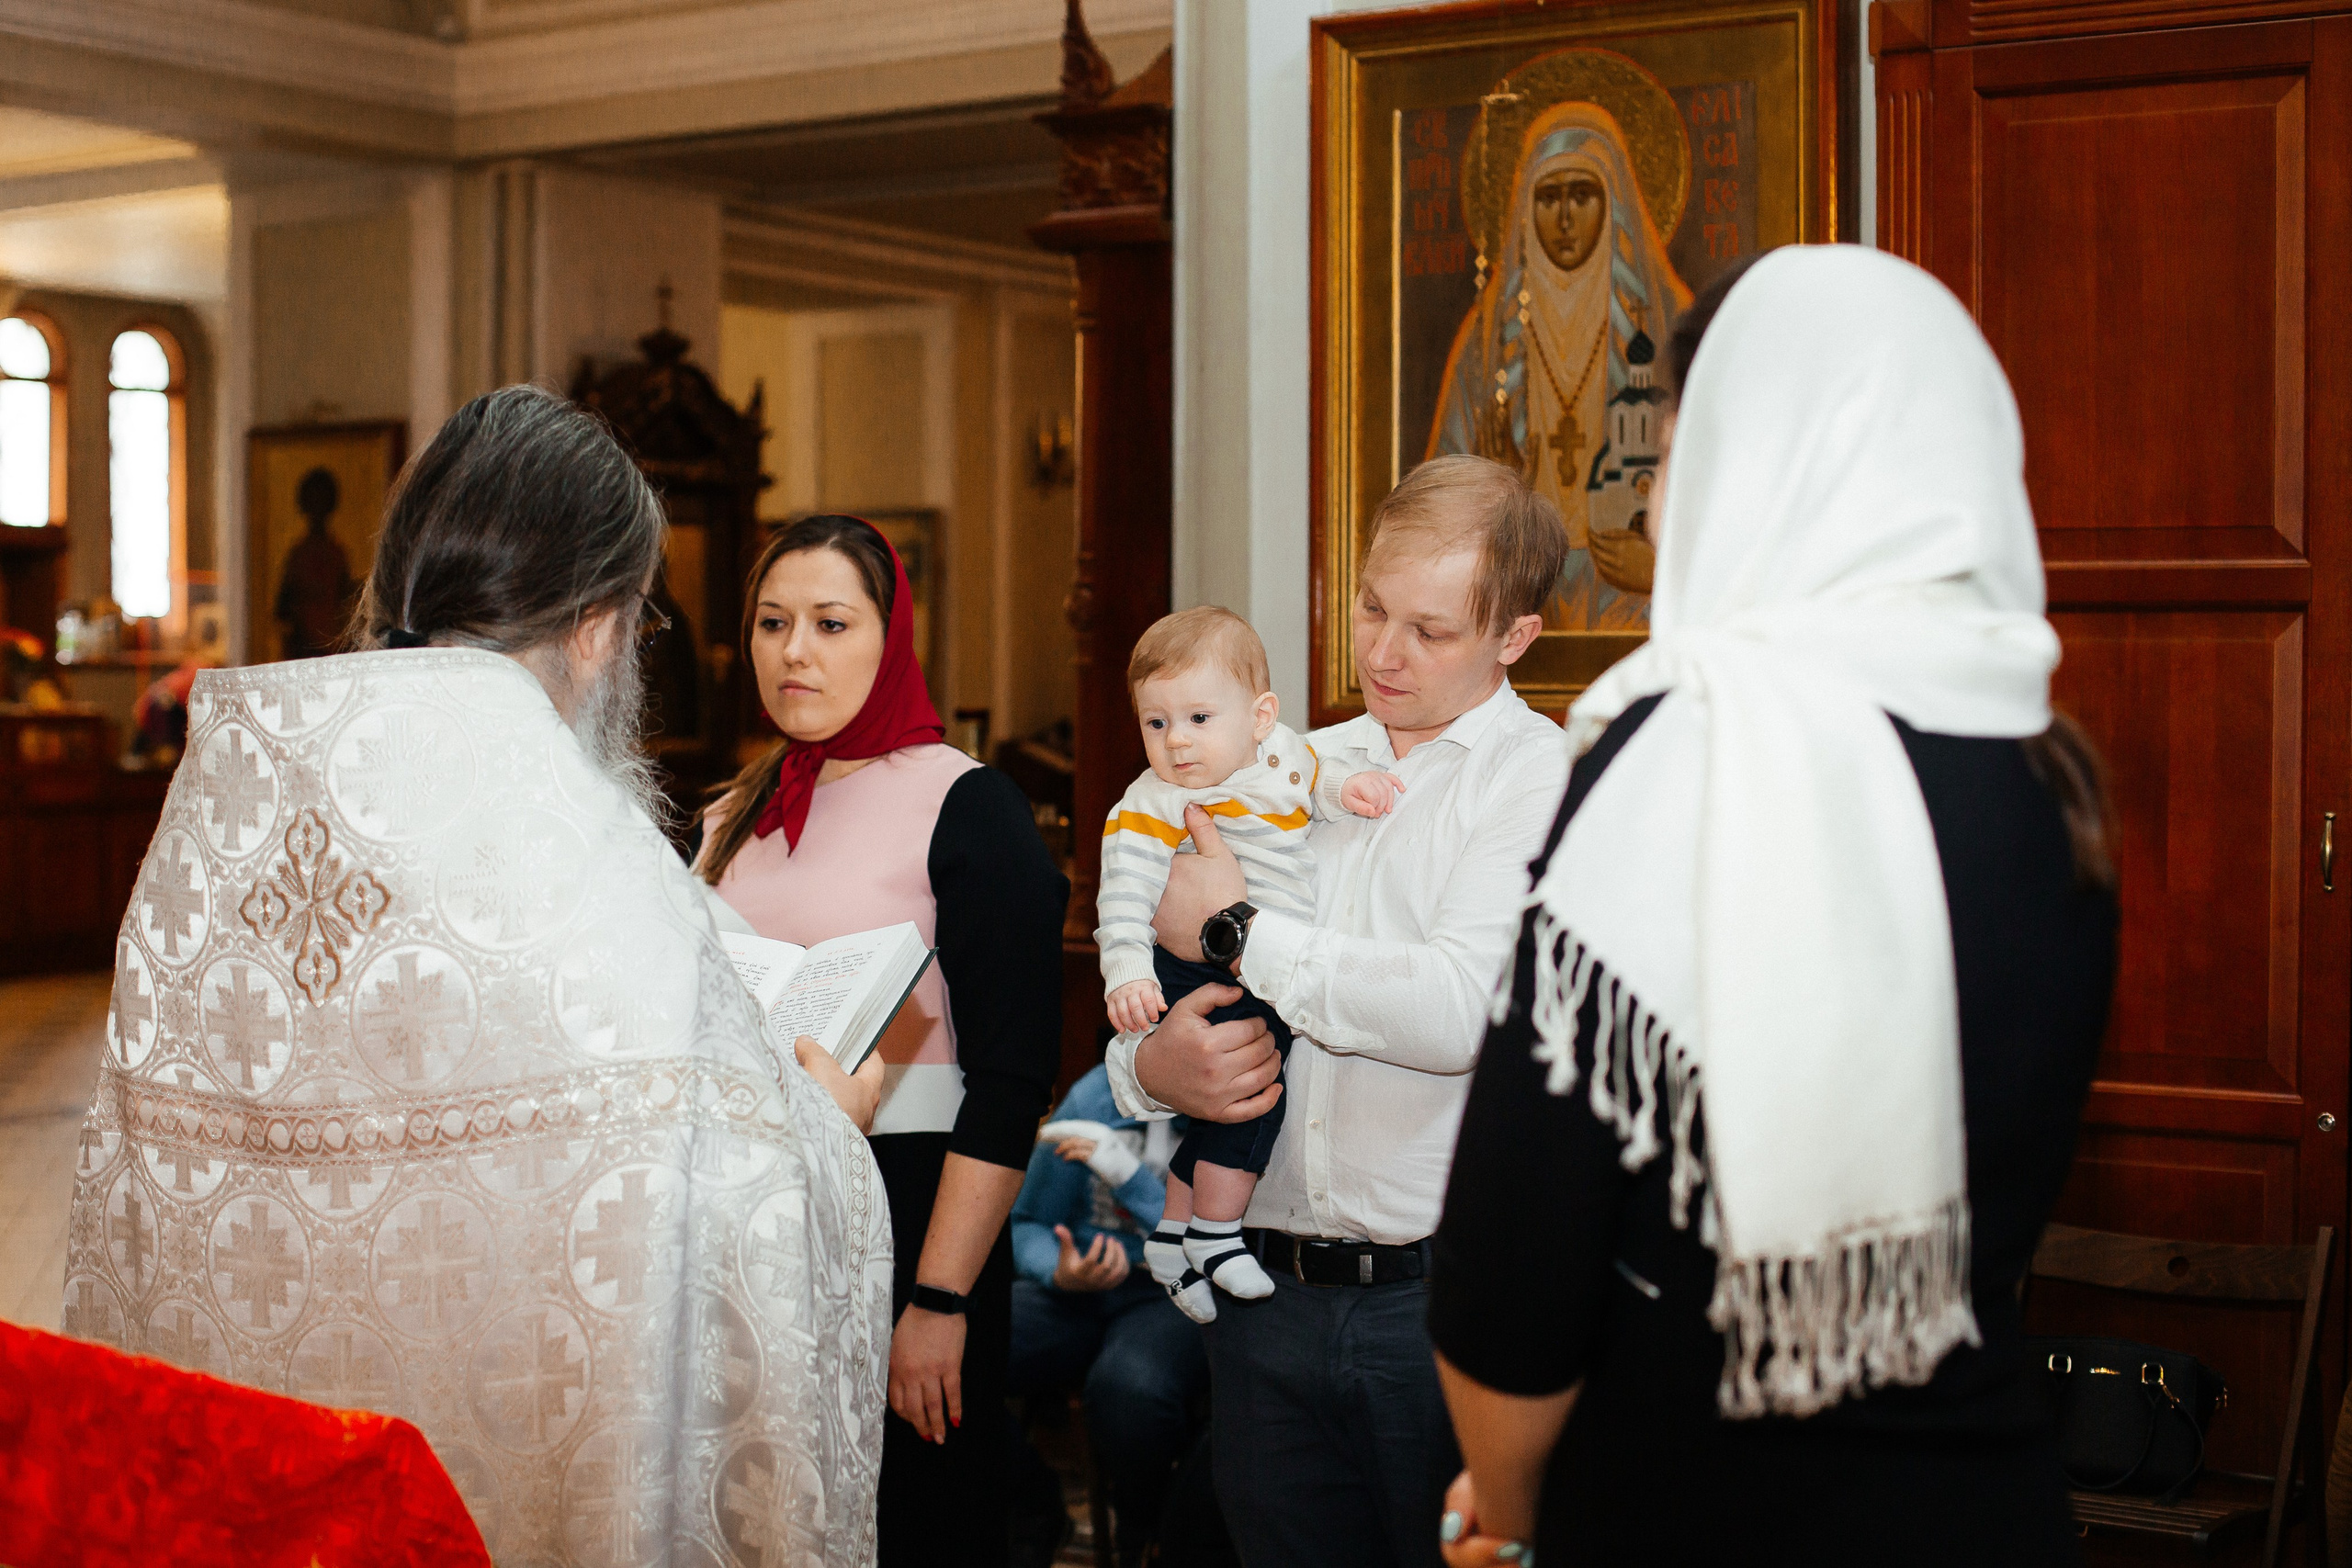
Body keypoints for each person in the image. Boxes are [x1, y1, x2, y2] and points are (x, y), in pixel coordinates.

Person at [63, 384, 895, 1565]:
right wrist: (835, 1128)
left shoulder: (227, 810)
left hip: (268, 1477)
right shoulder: (589, 856)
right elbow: (742, 1212)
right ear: (602, 623)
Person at [1427, 246, 2120, 1565]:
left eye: (1684, 451)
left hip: (1698, 1502)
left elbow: (1519, 1244)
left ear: (1767, 465)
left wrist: (1509, 1509)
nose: (1665, 492)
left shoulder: (1684, 750)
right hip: (1982, 1503)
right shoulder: (2050, 768)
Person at [1106, 454, 1572, 1568]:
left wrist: (1237, 934)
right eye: (1371, 608)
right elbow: (1167, 987)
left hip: (1434, 1310)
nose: (1380, 652)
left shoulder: (1540, 779)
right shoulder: (1294, 761)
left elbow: (1459, 1010)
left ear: (1513, 637)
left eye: (1431, 628)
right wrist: (1146, 1075)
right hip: (1261, 1290)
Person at [696, 513, 1066, 1568]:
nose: (793, 651)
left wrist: (939, 1299)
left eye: (828, 622)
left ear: (890, 634)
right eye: (771, 623)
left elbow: (1007, 1083)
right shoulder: (734, 807)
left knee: (917, 1521)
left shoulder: (969, 804)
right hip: (756, 1212)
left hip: (914, 1205)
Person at [1095, 607, 1399, 1320]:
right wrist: (1128, 973)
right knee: (1255, 1094)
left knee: (1217, 1104)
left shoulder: (1284, 754)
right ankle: (1217, 1233)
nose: (1177, 743)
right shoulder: (1153, 802)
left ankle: (1171, 1234)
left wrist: (1341, 794)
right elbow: (1124, 896)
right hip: (1193, 971)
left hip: (1262, 957)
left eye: (1199, 717)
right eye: (1156, 723)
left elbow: (1315, 781)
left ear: (1261, 716)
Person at [1428, 100, 1689, 623]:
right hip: (1515, 597)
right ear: (1526, 208)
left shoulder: (1670, 326)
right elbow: (1438, 505)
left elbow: (1723, 496)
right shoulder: (1484, 344)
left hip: (1632, 596)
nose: (1565, 218)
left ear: (1613, 203)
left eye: (1582, 195)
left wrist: (1663, 566)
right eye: (1548, 198)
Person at [1006, 1063, 1209, 1568]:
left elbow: (1212, 1250)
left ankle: (1146, 1535)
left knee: (1131, 1391)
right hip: (1076, 1289)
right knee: (960, 1345)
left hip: (1174, 1291)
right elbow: (1026, 1224)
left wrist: (1128, 1175)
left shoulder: (1229, 1099)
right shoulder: (1096, 1094)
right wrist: (1059, 1270)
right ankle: (1033, 1507)